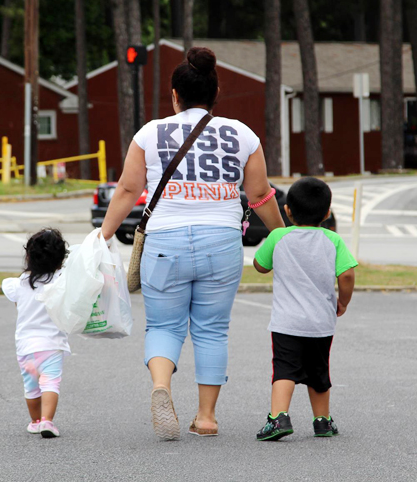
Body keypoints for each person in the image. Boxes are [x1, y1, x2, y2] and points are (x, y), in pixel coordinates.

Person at [101, 46, 286, 440]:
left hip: (165, 241)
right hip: (221, 241)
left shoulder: (149, 133)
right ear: (216, 92)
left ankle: (161, 386)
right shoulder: (243, 135)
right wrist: (284, 234)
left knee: (164, 326)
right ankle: (206, 417)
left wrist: (102, 236)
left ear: (174, 95)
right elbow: (260, 195)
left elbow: (128, 189)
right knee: (212, 330)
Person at [252, 177, 357, 441]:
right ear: (326, 213)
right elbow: (346, 275)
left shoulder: (279, 237)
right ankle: (322, 421)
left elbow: (259, 265)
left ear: (287, 210)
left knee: (284, 370)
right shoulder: (333, 240)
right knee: (319, 372)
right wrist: (343, 301)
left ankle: (278, 418)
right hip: (321, 323)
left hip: (286, 322)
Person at [2, 228, 69, 439]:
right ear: (60, 258)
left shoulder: (19, 283)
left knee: (31, 387)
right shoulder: (61, 280)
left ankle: (35, 421)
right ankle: (48, 421)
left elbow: (17, 304)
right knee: (50, 383)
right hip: (52, 344)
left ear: (29, 256)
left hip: (26, 347)